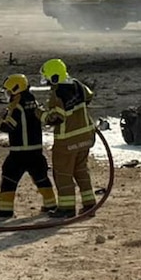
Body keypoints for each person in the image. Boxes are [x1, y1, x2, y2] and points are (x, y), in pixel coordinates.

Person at [0, 74, 57, 219]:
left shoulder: (17, 106)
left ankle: (5, 210)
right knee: (41, 178)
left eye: (9, 91)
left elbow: (9, 127)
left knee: (9, 178)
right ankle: (51, 205)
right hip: (36, 151)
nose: (7, 94)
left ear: (16, 89)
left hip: (19, 152)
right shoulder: (32, 101)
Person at [40, 59, 100, 219]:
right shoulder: (78, 85)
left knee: (62, 174)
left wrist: (40, 114)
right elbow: (89, 96)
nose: (47, 82)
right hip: (86, 137)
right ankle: (89, 205)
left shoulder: (57, 93)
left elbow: (55, 119)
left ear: (53, 77)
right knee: (81, 171)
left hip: (67, 142)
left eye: (47, 78)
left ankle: (66, 208)